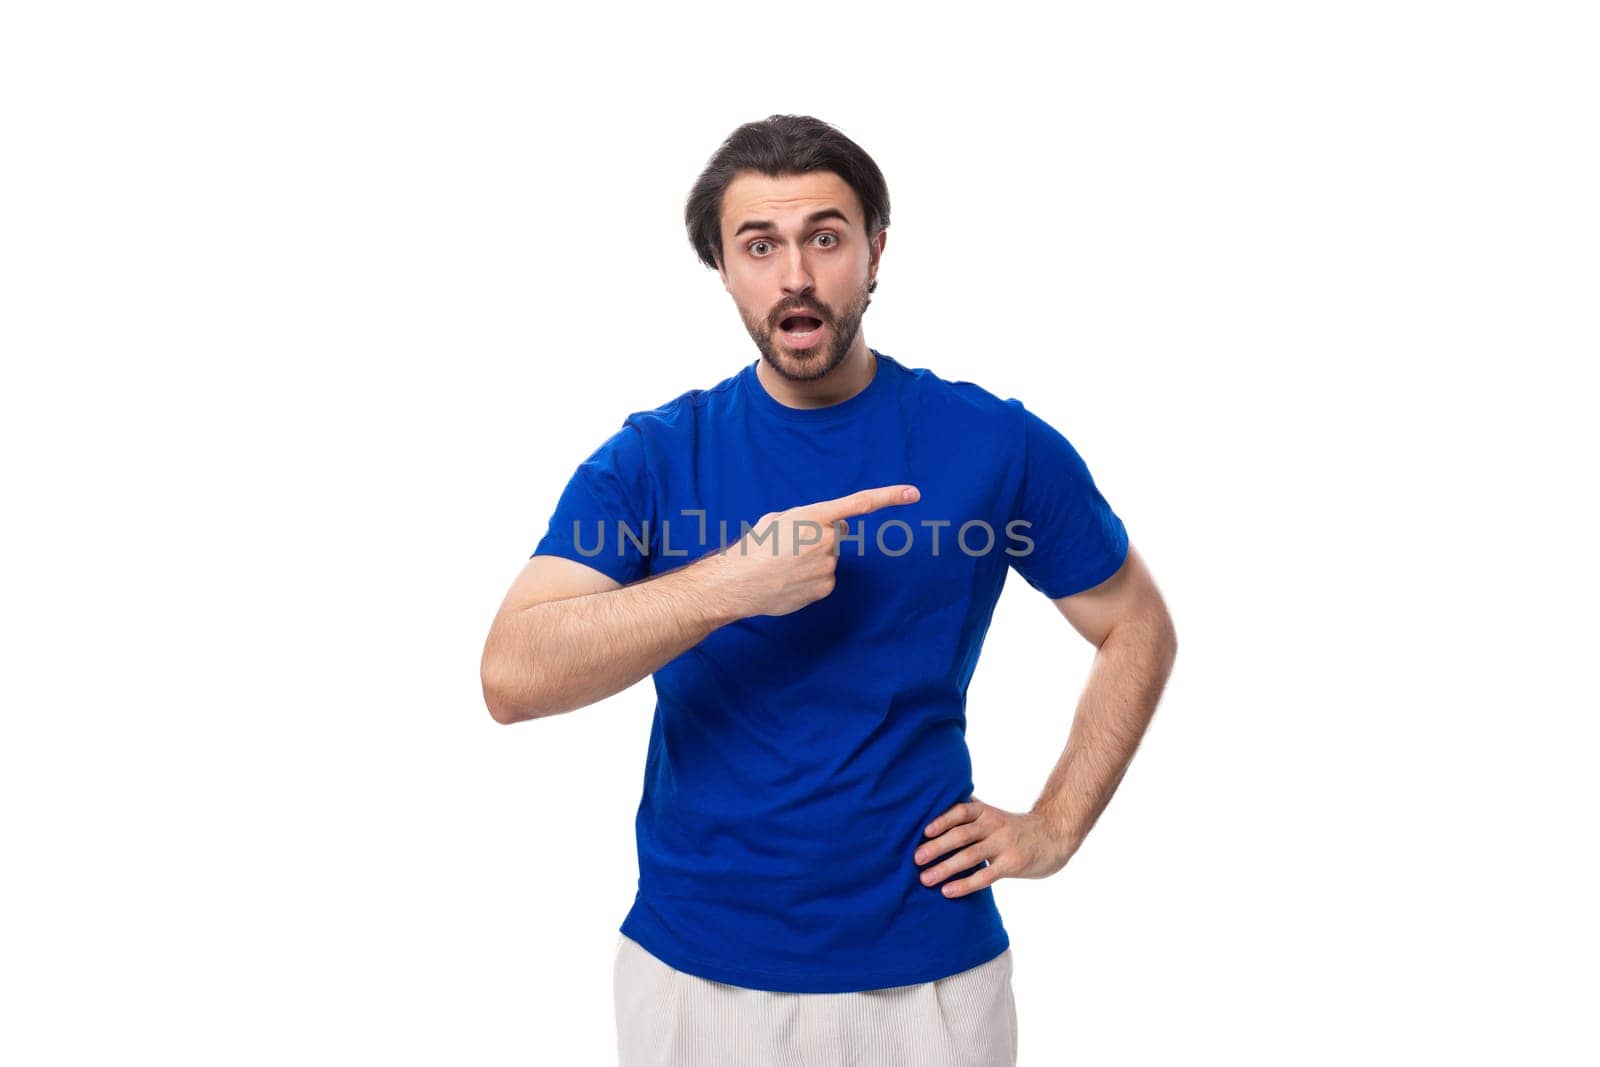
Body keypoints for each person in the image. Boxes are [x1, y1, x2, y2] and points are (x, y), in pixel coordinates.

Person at [480, 114, 1178, 1067]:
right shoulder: (651, 458)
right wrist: (731, 583)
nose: (795, 276)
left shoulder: (994, 444)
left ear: (875, 251)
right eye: (759, 246)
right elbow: (511, 676)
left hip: (929, 981)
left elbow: (1134, 620)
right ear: (723, 269)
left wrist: (1055, 824)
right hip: (693, 976)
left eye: (825, 237)